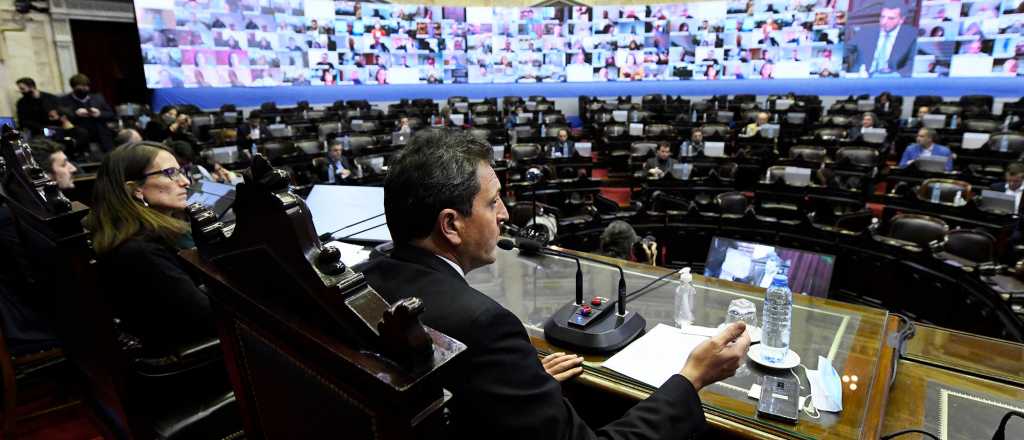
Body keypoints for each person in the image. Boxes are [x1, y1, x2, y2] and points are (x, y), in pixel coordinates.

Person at [357, 129, 750, 440]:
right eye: (493, 202)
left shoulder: (365, 281)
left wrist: (519, 386)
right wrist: (692, 378)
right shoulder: (486, 327)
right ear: (450, 225)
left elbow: (446, 389)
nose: (505, 214)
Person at [84, 142, 215, 355]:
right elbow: (208, 317)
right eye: (170, 173)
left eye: (181, 171)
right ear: (134, 189)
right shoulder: (141, 251)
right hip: (193, 359)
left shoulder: (130, 233)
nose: (185, 181)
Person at [846, 0, 917, 77]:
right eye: (883, 17)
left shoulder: (910, 35)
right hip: (861, 78)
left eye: (891, 18)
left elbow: (911, 64)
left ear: (901, 20)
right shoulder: (866, 32)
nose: (884, 22)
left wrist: (896, 75)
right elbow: (846, 49)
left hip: (890, 81)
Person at [58, 74, 115, 152]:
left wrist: (99, 113)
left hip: (100, 133)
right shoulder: (64, 100)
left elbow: (111, 114)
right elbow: (62, 117)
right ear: (73, 87)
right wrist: (76, 114)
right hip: (78, 132)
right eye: (81, 87)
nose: (84, 89)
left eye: (86, 86)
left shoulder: (98, 98)